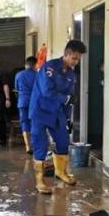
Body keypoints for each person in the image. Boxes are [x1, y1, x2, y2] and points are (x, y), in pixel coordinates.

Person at [29, 40, 86, 194]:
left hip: (57, 112)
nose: (76, 61)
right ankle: (40, 181)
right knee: (41, 146)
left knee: (63, 141)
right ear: (66, 54)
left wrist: (68, 118)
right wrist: (65, 99)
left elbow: (70, 97)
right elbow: (48, 92)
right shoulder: (49, 68)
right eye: (74, 58)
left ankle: (60, 172)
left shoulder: (71, 73)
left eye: (79, 59)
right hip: (40, 111)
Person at [14, 56, 37, 154]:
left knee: (24, 123)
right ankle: (35, 145)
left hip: (22, 102)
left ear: (26, 64)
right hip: (35, 102)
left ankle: (27, 146)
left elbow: (16, 88)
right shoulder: (38, 75)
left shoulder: (18, 75)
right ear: (35, 65)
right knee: (35, 123)